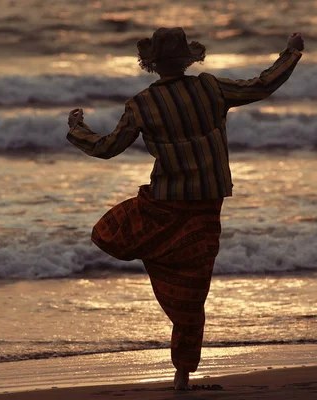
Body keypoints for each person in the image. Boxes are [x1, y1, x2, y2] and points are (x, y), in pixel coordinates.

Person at [67, 27, 304, 390]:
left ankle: (180, 368)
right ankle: (181, 375)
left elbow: (107, 148)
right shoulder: (210, 88)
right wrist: (290, 53)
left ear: (152, 64)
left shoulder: (141, 104)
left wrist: (78, 128)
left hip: (164, 204)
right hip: (206, 204)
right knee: (193, 292)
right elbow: (262, 85)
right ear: (187, 59)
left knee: (109, 232)